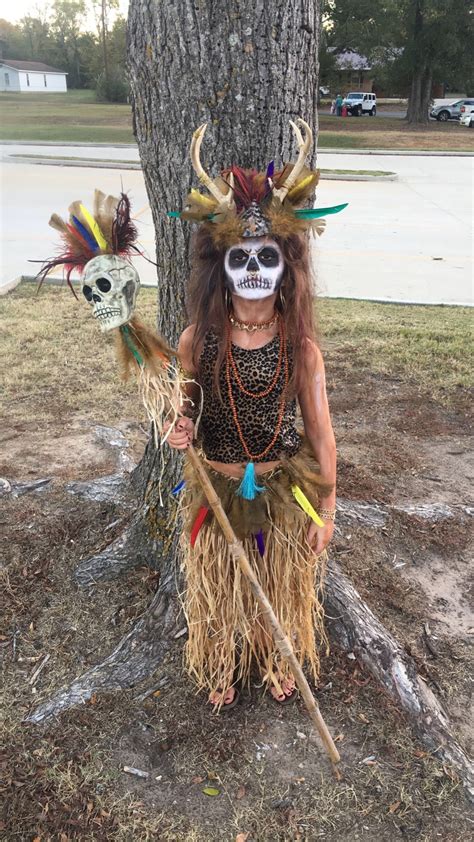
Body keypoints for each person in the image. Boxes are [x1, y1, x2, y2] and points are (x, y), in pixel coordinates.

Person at [165, 119, 346, 711]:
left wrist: (326, 504)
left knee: (275, 583)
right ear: (220, 265)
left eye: (265, 256)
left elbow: (320, 430)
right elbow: (187, 396)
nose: (251, 269)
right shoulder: (199, 337)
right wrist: (182, 420)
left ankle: (272, 655)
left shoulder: (301, 348)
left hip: (280, 484)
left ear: (285, 266)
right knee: (219, 586)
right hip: (215, 482)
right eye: (239, 256)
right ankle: (218, 658)